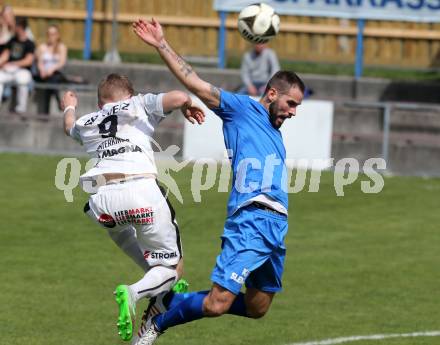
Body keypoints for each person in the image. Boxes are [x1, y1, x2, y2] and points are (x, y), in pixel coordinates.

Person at [131, 18, 305, 345]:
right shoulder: (241, 110)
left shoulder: (276, 134)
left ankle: (169, 301)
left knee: (258, 307)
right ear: (271, 93)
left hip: (276, 225)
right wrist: (161, 44)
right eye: (291, 103)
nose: (293, 111)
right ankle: (159, 320)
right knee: (217, 304)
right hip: (252, 217)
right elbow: (194, 83)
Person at [61, 73, 205, 342]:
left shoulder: (88, 120)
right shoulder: (137, 104)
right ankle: (136, 292)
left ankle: (156, 285)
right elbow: (180, 96)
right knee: (173, 269)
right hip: (140, 191)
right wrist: (186, 105)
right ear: (127, 94)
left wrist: (69, 104)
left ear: (101, 101)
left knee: (119, 231)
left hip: (101, 200)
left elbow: (69, 125)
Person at [0, 16, 34, 114]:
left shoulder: (29, 43)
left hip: (22, 70)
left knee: (22, 80)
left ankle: (21, 109)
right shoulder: (12, 41)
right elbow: (5, 56)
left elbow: (28, 61)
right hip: (8, 70)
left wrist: (13, 63)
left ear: (20, 27)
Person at [34, 24, 67, 114]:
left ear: (58, 35)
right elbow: (39, 62)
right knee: (50, 81)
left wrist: (51, 70)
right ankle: (58, 101)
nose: (51, 36)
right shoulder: (43, 47)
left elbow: (62, 62)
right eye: (49, 34)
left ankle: (46, 111)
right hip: (44, 74)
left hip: (56, 74)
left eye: (53, 34)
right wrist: (42, 70)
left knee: (52, 79)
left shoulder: (61, 47)